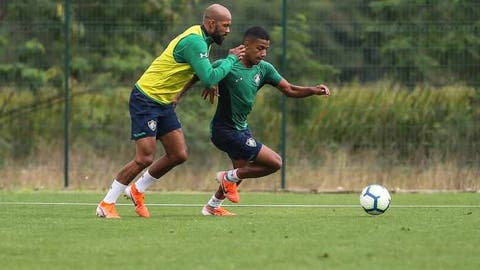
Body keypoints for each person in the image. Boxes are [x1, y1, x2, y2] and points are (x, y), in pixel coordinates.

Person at [96, 4, 245, 219]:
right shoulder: (195, 41)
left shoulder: (203, 40)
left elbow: (198, 72)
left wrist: (181, 94)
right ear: (211, 23)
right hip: (146, 98)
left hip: (163, 103)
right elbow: (210, 76)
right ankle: (106, 203)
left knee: (178, 154)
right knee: (145, 157)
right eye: (225, 25)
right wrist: (231, 58)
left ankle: (137, 190)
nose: (228, 30)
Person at [177, 26, 330, 216]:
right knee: (275, 162)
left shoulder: (264, 69)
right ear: (246, 45)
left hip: (241, 128)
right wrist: (186, 93)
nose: (263, 53)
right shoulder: (229, 64)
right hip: (224, 130)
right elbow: (199, 75)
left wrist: (313, 90)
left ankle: (212, 207)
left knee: (240, 170)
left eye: (266, 49)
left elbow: (289, 89)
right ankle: (226, 178)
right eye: (259, 48)